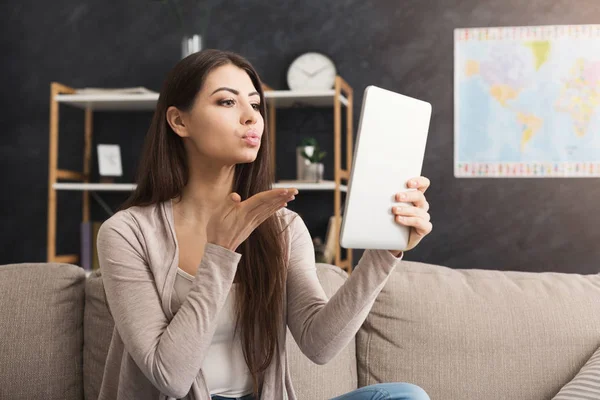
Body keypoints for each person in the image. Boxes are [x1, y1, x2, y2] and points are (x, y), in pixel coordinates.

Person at [96, 49, 433, 400]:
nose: (250, 118)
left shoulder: (282, 226)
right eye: (227, 102)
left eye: (255, 105)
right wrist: (220, 254)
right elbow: (171, 377)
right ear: (180, 122)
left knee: (405, 396)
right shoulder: (126, 233)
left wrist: (385, 251)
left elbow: (319, 344)